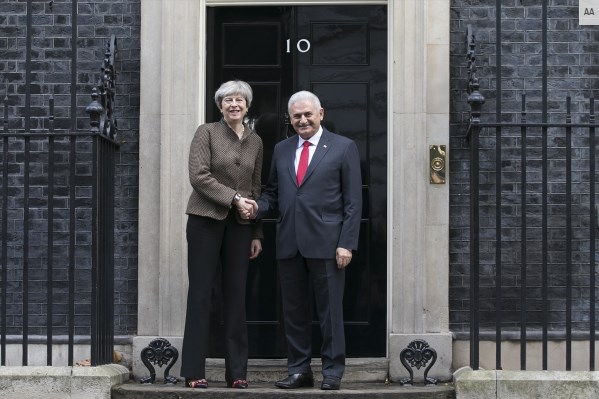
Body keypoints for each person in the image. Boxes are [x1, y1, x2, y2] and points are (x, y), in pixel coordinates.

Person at [241, 90, 362, 391]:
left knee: (330, 312)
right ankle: (299, 370)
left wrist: (347, 242)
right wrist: (258, 207)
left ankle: (332, 372)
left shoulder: (343, 147)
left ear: (321, 113)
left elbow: (353, 202)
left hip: (328, 243)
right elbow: (272, 192)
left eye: (308, 114)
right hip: (289, 241)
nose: (303, 120)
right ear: (290, 119)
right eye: (297, 116)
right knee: (293, 312)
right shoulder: (281, 149)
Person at [180, 80, 263, 390]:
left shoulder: (255, 141)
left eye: (239, 100)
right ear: (220, 106)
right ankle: (193, 371)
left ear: (247, 106)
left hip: (240, 227)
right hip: (205, 221)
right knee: (201, 294)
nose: (234, 105)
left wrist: (257, 230)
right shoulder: (206, 133)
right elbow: (199, 176)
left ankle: (237, 373)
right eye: (228, 100)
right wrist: (234, 199)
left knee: (236, 297)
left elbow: (255, 188)